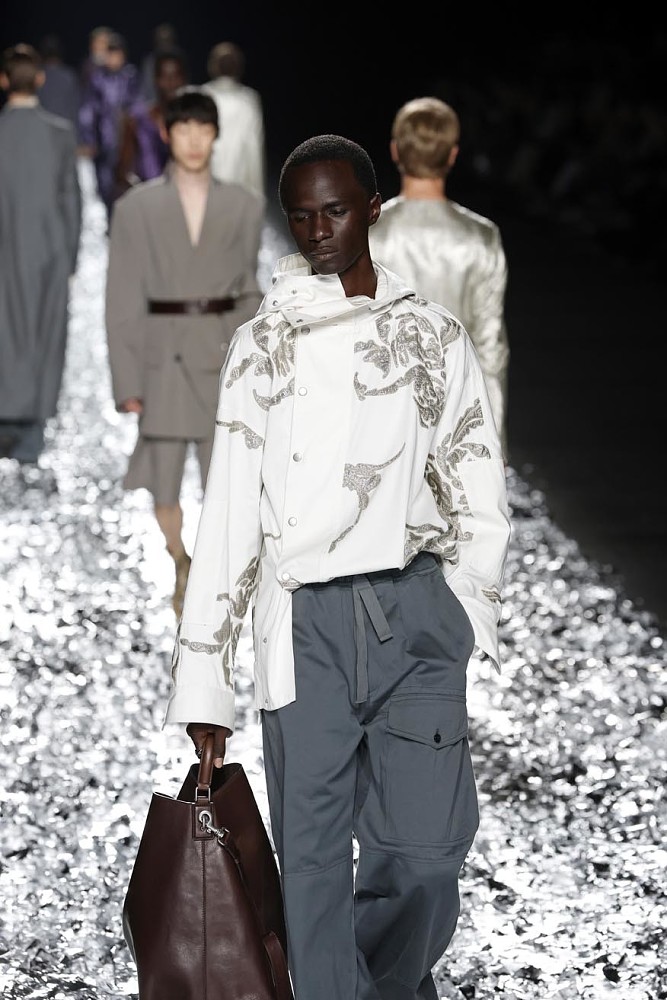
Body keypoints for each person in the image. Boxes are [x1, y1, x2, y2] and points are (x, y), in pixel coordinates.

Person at [165, 134, 511, 999]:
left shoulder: (430, 335)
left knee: (425, 857)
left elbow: (475, 473)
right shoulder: (261, 346)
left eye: (335, 211)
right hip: (303, 625)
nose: (318, 231)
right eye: (301, 217)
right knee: (313, 869)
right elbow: (230, 512)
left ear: (372, 210)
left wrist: (466, 609)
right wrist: (205, 682)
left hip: (412, 610)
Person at [105, 88, 265, 617]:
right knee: (164, 482)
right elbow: (121, 297)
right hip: (164, 355)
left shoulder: (244, 206)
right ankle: (180, 559)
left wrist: (257, 361)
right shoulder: (136, 208)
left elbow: (249, 289)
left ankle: (210, 574)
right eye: (183, 129)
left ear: (216, 135)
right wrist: (127, 380)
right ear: (166, 133)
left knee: (227, 478)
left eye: (203, 129)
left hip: (222, 351)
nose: (194, 140)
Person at [370, 96, 511, 461]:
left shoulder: (368, 234)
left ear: (395, 151)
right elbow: (490, 344)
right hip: (456, 415)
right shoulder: (481, 237)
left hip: (381, 419)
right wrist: (493, 443)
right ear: (452, 155)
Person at [0, 44, 81, 463]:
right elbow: (71, 201)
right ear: (41, 79)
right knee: (42, 333)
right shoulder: (59, 134)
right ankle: (31, 431)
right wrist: (70, 257)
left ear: (3, 80)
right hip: (49, 248)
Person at [78, 32, 142, 222]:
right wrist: (89, 139)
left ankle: (125, 222)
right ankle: (111, 220)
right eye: (110, 54)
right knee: (105, 185)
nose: (113, 58)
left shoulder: (130, 76)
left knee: (127, 183)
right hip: (104, 141)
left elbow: (138, 105)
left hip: (127, 141)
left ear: (123, 55)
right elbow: (89, 109)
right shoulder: (98, 78)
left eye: (117, 54)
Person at [114, 49, 188, 195]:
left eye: (176, 76)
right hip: (148, 200)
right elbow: (122, 170)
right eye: (164, 77)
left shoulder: (193, 123)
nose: (170, 83)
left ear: (184, 79)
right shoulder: (137, 120)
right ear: (155, 79)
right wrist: (142, 194)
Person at [202, 41, 265, 198]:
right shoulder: (248, 99)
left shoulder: (248, 99)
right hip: (222, 184)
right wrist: (257, 195)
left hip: (220, 185)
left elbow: (254, 148)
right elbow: (254, 152)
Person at [37, 34, 81, 135]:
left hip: (43, 129)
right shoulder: (69, 75)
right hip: (64, 129)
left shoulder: (38, 76)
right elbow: (75, 107)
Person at [139, 22, 179, 103]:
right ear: (156, 41)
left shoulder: (179, 58)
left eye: (167, 40)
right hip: (157, 103)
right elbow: (148, 86)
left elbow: (184, 82)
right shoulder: (150, 61)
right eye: (161, 40)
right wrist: (154, 103)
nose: (164, 44)